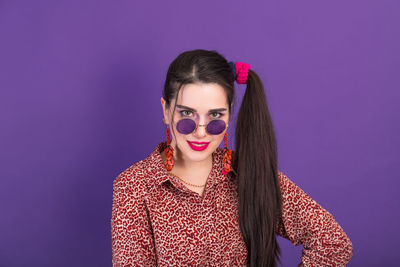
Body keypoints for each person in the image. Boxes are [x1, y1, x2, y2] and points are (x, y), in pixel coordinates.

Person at [111, 49, 353, 267]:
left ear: (229, 113)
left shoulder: (250, 172)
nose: (201, 131)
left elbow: (332, 242)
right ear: (166, 111)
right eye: (187, 114)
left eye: (215, 115)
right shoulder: (133, 187)